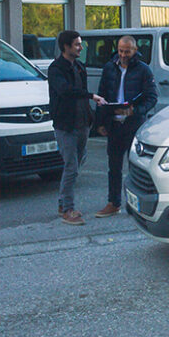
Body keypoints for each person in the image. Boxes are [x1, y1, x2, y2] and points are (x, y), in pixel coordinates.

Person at [94, 35, 158, 217]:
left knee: (135, 167)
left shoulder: (143, 70)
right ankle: (113, 203)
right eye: (121, 51)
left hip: (133, 125)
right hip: (113, 124)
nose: (123, 55)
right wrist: (100, 123)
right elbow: (102, 94)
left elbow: (152, 97)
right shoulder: (109, 68)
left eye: (127, 51)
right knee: (113, 167)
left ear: (134, 51)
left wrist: (135, 111)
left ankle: (136, 205)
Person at [47, 30, 106, 225]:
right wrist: (90, 95)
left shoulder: (80, 66)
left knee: (77, 164)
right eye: (77, 45)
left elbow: (80, 94)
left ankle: (63, 202)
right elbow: (64, 90)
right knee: (71, 166)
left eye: (80, 44)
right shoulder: (56, 69)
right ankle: (67, 209)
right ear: (66, 47)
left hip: (83, 123)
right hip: (66, 125)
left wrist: (93, 119)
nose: (81, 48)